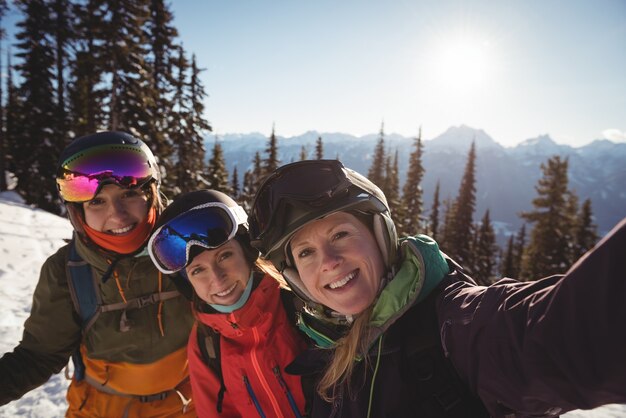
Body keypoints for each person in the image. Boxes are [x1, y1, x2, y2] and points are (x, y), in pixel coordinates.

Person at [248, 159, 626, 418]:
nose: (328, 260)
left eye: (341, 234)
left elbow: (558, 331)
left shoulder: (452, 326)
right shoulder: (323, 350)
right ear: (296, 276)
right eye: (306, 252)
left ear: (380, 236)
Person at [0, 131, 195, 417]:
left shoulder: (190, 247)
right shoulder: (67, 272)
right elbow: (38, 355)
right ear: (78, 212)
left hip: (188, 405)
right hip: (100, 410)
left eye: (129, 194)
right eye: (97, 202)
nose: (117, 214)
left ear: (151, 194)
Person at [147, 189, 308, 418]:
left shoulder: (297, 301)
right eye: (198, 270)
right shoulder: (206, 341)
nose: (216, 278)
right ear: (188, 283)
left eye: (224, 256)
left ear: (247, 251)